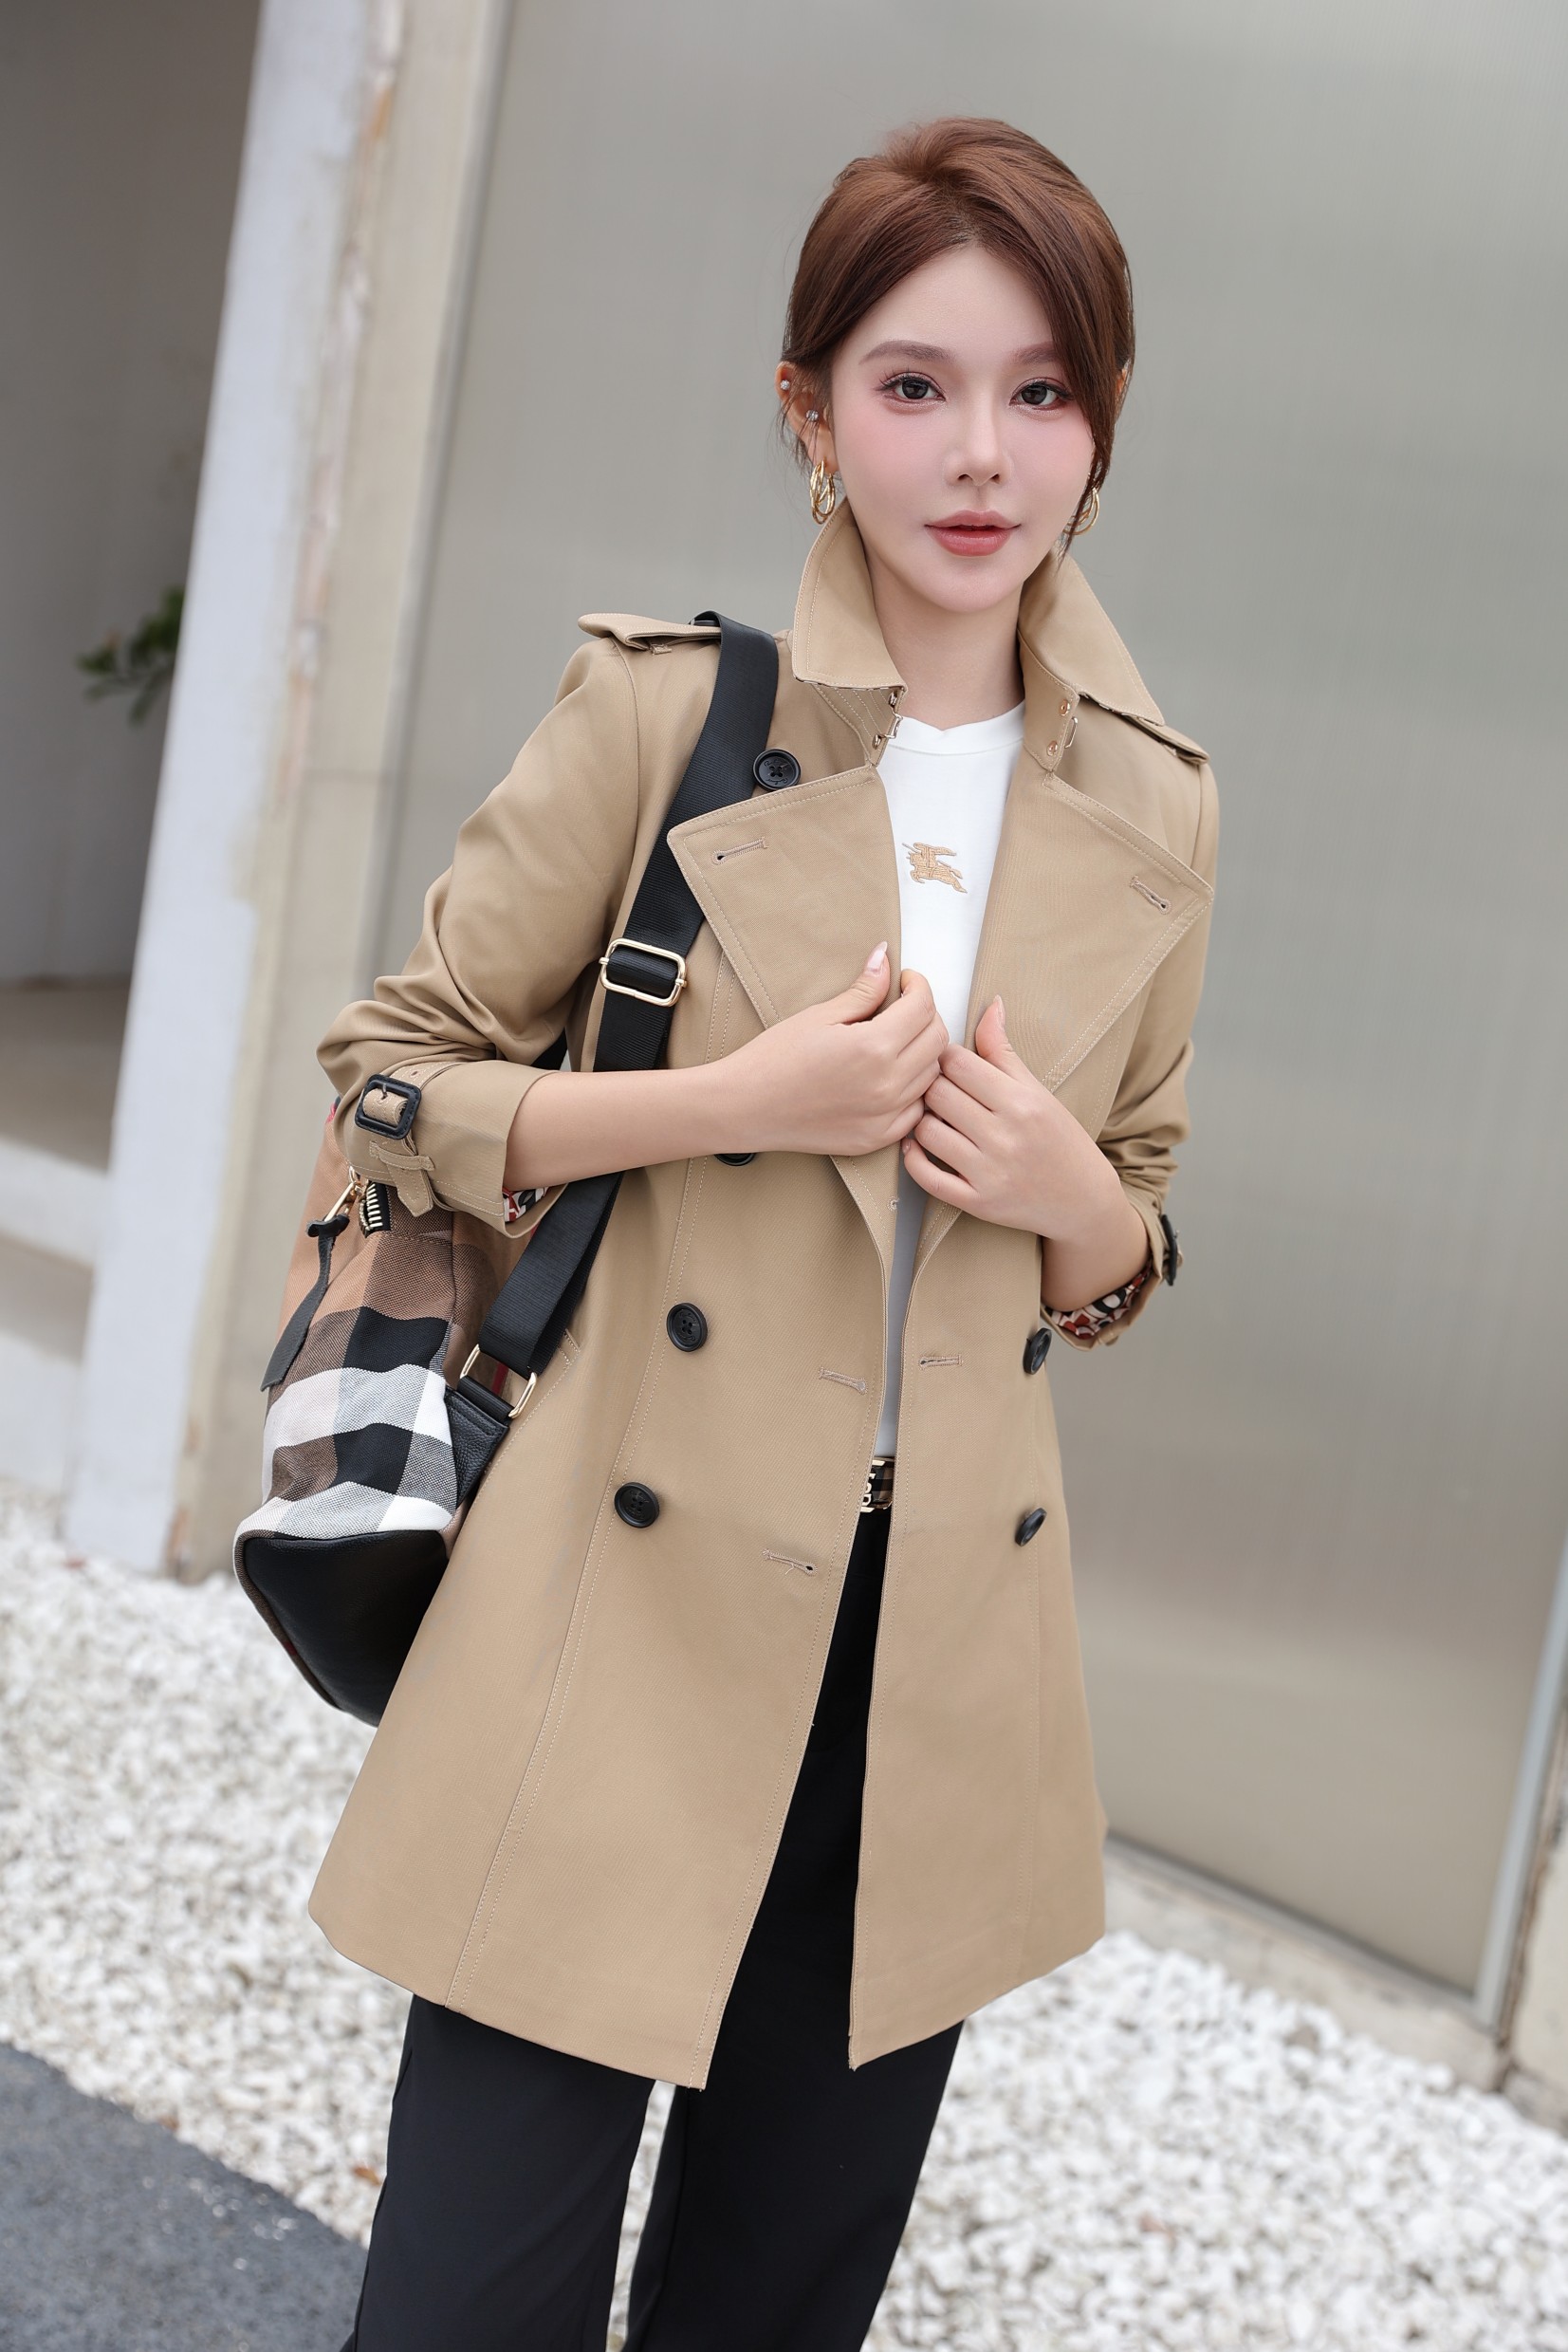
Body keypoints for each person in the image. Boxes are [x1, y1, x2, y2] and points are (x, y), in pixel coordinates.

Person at [316, 115, 1218, 2352]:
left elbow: (1127, 1233)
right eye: (914, 384)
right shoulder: (668, 713)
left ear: (1100, 422)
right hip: (621, 1599)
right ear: (809, 410)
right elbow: (389, 1077)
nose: (980, 453)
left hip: (929, 1654)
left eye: (1038, 388)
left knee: (769, 2308)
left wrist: (1069, 1197)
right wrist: (728, 1107)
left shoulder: (1153, 798)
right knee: (468, 2303)